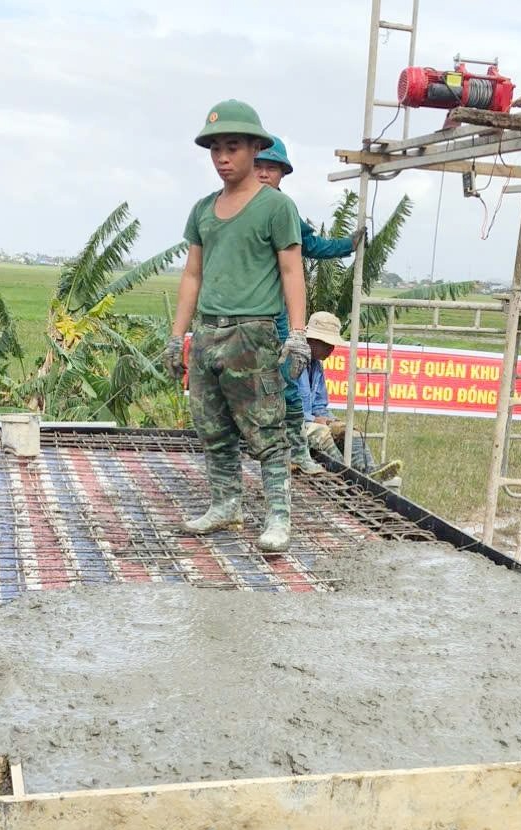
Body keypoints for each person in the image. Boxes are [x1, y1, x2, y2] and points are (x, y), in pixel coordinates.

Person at [163, 101, 309, 555]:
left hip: (253, 333)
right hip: (209, 334)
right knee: (213, 427)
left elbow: (291, 271)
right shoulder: (204, 210)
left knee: (266, 429)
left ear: (254, 149)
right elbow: (192, 275)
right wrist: (178, 336)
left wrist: (298, 334)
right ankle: (226, 503)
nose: (223, 157)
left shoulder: (275, 207)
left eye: (232, 147)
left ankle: (278, 515)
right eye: (215, 149)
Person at [254, 136, 364, 477]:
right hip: (241, 309)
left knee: (288, 372)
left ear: (282, 174)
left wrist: (347, 245)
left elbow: (310, 245)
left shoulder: (284, 211)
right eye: (258, 167)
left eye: (270, 168)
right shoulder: (234, 207)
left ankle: (295, 449)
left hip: (275, 310)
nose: (263, 174)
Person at [299, 311, 403, 484]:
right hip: (289, 424)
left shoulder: (316, 367)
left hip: (309, 421)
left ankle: (368, 471)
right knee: (322, 433)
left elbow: (319, 404)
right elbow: (286, 406)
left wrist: (330, 420)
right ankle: (346, 478)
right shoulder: (292, 362)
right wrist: (316, 420)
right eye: (327, 344)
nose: (331, 349)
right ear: (312, 340)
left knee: (349, 431)